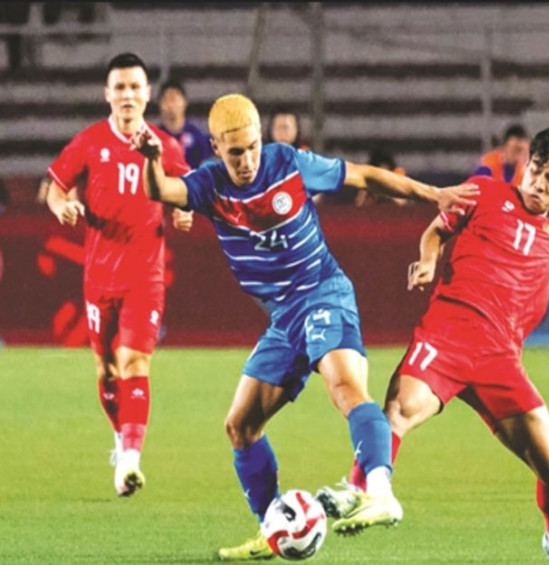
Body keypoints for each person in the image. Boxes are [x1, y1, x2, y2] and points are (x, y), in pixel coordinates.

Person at [131, 93, 479, 560]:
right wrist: (154, 161)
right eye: (236, 152)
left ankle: (380, 491)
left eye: (253, 146)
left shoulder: (289, 163)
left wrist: (434, 194)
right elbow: (161, 191)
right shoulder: (210, 185)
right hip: (283, 318)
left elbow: (364, 175)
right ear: (215, 147)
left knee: (346, 390)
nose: (248, 160)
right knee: (240, 426)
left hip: (322, 294)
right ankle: (273, 528)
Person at [318, 127, 549, 559]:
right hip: (447, 337)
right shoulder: (482, 193)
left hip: (500, 362)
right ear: (525, 165)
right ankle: (361, 490)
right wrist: (427, 259)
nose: (539, 182)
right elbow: (435, 232)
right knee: (398, 410)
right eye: (536, 170)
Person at [44, 52, 192, 497]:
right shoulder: (89, 142)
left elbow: (186, 192)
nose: (128, 95)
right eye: (120, 87)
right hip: (98, 277)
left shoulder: (166, 146)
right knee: (107, 370)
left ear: (148, 95)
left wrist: (185, 212)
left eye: (135, 87)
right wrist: (62, 205)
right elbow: (55, 187)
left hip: (144, 277)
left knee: (134, 362)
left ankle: (130, 460)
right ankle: (120, 437)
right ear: (107, 94)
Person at [157, 78, 214, 169]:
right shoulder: (155, 138)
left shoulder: (197, 137)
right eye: (166, 100)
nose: (170, 105)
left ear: (184, 102)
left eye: (174, 99)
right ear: (159, 104)